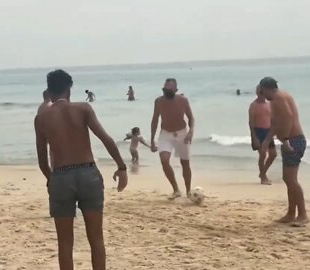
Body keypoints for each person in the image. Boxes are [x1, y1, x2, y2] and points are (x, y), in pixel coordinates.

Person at [35, 70, 128, 270]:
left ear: (49, 92)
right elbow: (106, 139)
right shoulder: (83, 108)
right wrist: (121, 167)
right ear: (70, 89)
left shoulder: (41, 118)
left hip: (61, 176)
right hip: (88, 174)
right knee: (96, 240)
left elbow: (42, 161)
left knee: (65, 244)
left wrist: (52, 180)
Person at [259, 77, 308, 224]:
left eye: (262, 90)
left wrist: (285, 140)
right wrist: (268, 140)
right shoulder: (276, 99)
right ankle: (291, 213)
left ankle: (303, 215)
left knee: (291, 179)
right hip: (291, 140)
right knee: (288, 179)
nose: (262, 94)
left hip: (294, 140)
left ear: (268, 88)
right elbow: (276, 123)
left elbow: (288, 117)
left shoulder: (279, 97)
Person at [151, 78, 195, 200]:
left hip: (181, 133)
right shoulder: (158, 101)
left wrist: (190, 132)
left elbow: (191, 117)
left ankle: (188, 191)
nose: (167, 91)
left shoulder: (183, 101)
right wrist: (152, 139)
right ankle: (176, 189)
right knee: (164, 160)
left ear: (175, 90)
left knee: (185, 163)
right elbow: (155, 119)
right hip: (166, 133)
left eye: (170, 89)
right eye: (165, 88)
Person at [249, 85, 277, 184]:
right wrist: (254, 137)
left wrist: (275, 132)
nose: (261, 95)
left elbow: (273, 119)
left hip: (268, 131)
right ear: (257, 93)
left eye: (263, 93)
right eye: (260, 93)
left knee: (273, 154)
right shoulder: (253, 105)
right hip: (259, 131)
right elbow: (251, 123)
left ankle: (263, 172)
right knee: (262, 155)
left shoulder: (269, 104)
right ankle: (263, 178)